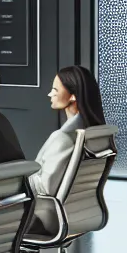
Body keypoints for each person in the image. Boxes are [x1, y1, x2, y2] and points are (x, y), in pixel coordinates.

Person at [29, 65, 108, 233]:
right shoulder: (94, 134)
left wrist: (14, 182)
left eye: (55, 90)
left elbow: (45, 189)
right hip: (82, 214)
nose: (50, 94)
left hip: (46, 218)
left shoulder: (64, 138)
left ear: (72, 96)